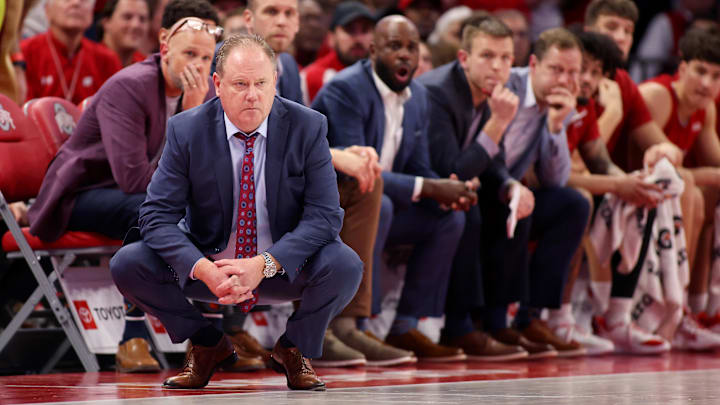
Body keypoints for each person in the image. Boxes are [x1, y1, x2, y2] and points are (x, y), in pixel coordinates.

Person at [110, 34, 363, 390]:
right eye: (240, 84)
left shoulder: (308, 126)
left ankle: (293, 348)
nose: (253, 95)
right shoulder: (186, 130)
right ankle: (206, 342)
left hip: (279, 266)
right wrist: (202, 268)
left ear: (275, 81)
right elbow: (155, 216)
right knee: (128, 263)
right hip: (210, 266)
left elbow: (325, 216)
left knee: (346, 265)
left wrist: (263, 264)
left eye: (261, 83)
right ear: (217, 84)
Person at [27, 1, 228, 373]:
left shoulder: (206, 92)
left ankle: (217, 329)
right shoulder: (129, 87)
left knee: (217, 205)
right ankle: (134, 337)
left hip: (141, 196)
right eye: (188, 54)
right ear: (165, 46)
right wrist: (189, 116)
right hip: (81, 195)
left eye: (205, 57)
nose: (197, 66)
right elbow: (134, 180)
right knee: (150, 209)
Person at [313, 15, 476, 362]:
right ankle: (355, 324)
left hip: (384, 200)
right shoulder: (346, 89)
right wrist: (429, 187)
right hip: (334, 208)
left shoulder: (417, 97)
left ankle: (405, 326)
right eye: (394, 46)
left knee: (449, 218)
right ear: (373, 50)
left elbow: (418, 167)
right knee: (380, 202)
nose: (405, 55)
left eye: (412, 48)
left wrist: (447, 188)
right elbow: (356, 174)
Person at [469, 27, 590, 358]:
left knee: (572, 204)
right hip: (479, 184)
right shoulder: (507, 87)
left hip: (510, 190)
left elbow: (556, 179)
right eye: (555, 69)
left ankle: (531, 315)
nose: (563, 79)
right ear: (534, 65)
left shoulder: (556, 106)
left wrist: (555, 126)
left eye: (572, 72)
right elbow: (484, 155)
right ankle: (491, 321)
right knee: (517, 204)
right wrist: (511, 186)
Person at [418, 14, 530, 361]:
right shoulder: (437, 92)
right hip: (422, 187)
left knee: (517, 208)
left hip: (456, 184)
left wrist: (512, 185)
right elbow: (450, 172)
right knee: (469, 206)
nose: (497, 67)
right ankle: (460, 327)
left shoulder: (494, 92)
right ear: (464, 58)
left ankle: (497, 320)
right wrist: (498, 123)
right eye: (487, 56)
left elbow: (491, 160)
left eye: (505, 58)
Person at [555, 30, 667, 355]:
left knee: (642, 196)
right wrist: (614, 116)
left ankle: (617, 316)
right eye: (581, 70)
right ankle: (557, 317)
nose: (586, 79)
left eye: (594, 72)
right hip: (535, 193)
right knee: (579, 202)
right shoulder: (555, 100)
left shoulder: (585, 105)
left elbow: (600, 163)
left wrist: (633, 183)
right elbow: (565, 175)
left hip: (566, 189)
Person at [639, 26, 720, 350]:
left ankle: (702, 307)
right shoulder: (657, 96)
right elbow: (665, 171)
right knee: (690, 191)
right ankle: (677, 305)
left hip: (663, 195)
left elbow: (715, 160)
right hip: (629, 191)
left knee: (707, 195)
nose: (706, 83)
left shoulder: (705, 107)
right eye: (700, 71)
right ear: (682, 68)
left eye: (716, 76)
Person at [20, 0, 122, 104]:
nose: (76, 3)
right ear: (47, 10)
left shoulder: (107, 59)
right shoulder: (25, 52)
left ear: (92, 12)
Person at [300, 1, 374, 104]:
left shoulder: (384, 75)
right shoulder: (310, 78)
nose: (358, 39)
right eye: (350, 30)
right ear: (331, 38)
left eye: (365, 30)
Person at [242, 0, 303, 104]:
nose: (281, 22)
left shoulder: (289, 64)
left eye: (289, 13)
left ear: (297, 22)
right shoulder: (219, 60)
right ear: (249, 19)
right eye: (271, 12)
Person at [99, 0, 151, 67]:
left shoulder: (146, 66)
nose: (136, 25)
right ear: (106, 22)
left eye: (142, 19)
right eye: (127, 17)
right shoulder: (88, 60)